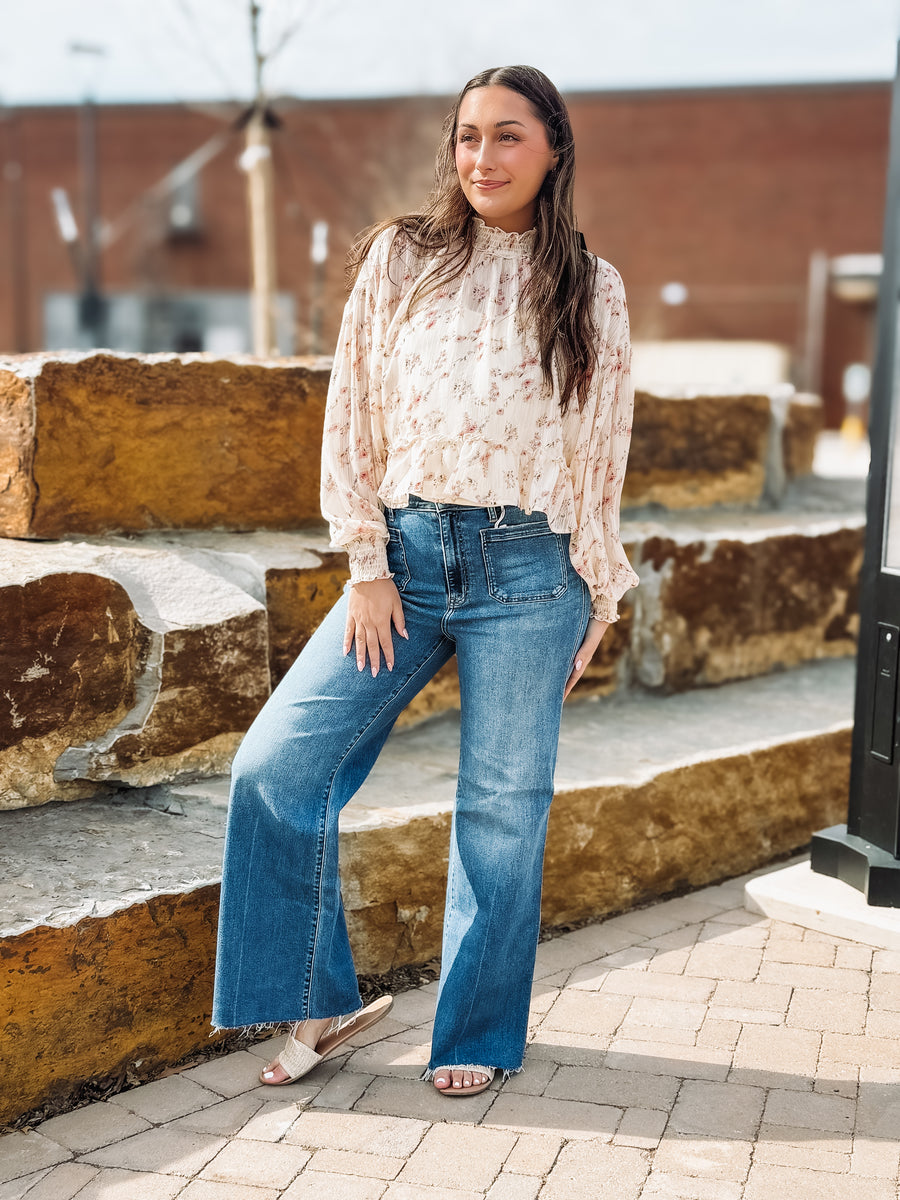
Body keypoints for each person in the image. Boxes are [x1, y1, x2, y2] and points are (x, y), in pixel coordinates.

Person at [212, 63, 639, 1098]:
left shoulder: (593, 286)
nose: (482, 158)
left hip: (533, 575)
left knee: (501, 814)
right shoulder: (405, 259)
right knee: (273, 768)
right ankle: (320, 999)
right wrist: (364, 565)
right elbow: (351, 412)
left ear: (554, 151)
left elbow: (601, 455)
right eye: (466, 137)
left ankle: (476, 1035)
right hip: (401, 564)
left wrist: (601, 595)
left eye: (507, 137)